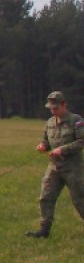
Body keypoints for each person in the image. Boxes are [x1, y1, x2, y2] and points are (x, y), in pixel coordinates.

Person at [25, 90, 84, 238]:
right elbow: (46, 140)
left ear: (64, 105)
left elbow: (82, 141)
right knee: (46, 196)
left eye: (56, 108)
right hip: (54, 167)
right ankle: (44, 230)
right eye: (51, 108)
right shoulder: (50, 123)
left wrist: (62, 150)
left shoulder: (76, 120)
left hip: (73, 167)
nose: (53, 111)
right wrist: (43, 146)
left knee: (80, 199)